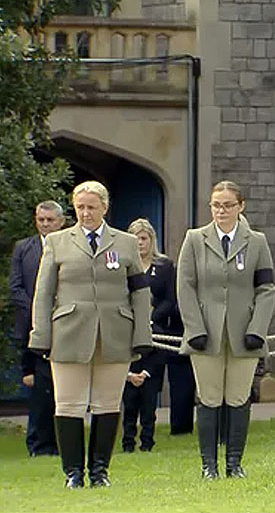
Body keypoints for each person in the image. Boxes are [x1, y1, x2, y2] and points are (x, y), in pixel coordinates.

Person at [28, 181, 152, 488]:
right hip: (69, 332)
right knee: (68, 404)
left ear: (105, 208)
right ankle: (73, 473)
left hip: (115, 332)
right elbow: (43, 293)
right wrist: (40, 335)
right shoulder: (57, 242)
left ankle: (99, 471)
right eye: (80, 207)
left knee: (107, 403)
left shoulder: (124, 243)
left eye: (91, 207)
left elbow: (139, 292)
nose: (85, 213)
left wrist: (142, 334)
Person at [177, 180, 275, 480]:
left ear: (240, 206)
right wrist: (194, 326)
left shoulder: (256, 241)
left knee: (237, 397)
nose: (221, 211)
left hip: (243, 333)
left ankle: (234, 463)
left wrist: (257, 328)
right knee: (209, 397)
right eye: (216, 205)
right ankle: (209, 466)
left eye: (227, 205)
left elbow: (267, 288)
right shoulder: (194, 239)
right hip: (205, 333)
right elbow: (185, 285)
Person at [9, 200, 65, 457]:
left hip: (63, 326)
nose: (44, 224)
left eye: (50, 220)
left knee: (59, 388)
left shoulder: (68, 246)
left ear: (61, 221)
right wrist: (37, 310)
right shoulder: (24, 248)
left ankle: (58, 442)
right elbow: (15, 287)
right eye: (41, 220)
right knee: (39, 387)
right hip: (32, 329)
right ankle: (39, 444)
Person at [121, 219, 174, 452]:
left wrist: (151, 320)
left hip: (157, 332)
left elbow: (170, 300)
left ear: (151, 240)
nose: (140, 243)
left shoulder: (164, 266)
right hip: (127, 331)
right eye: (135, 239)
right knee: (129, 398)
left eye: (144, 238)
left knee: (149, 394)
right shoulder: (122, 265)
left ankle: (148, 442)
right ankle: (127, 442)